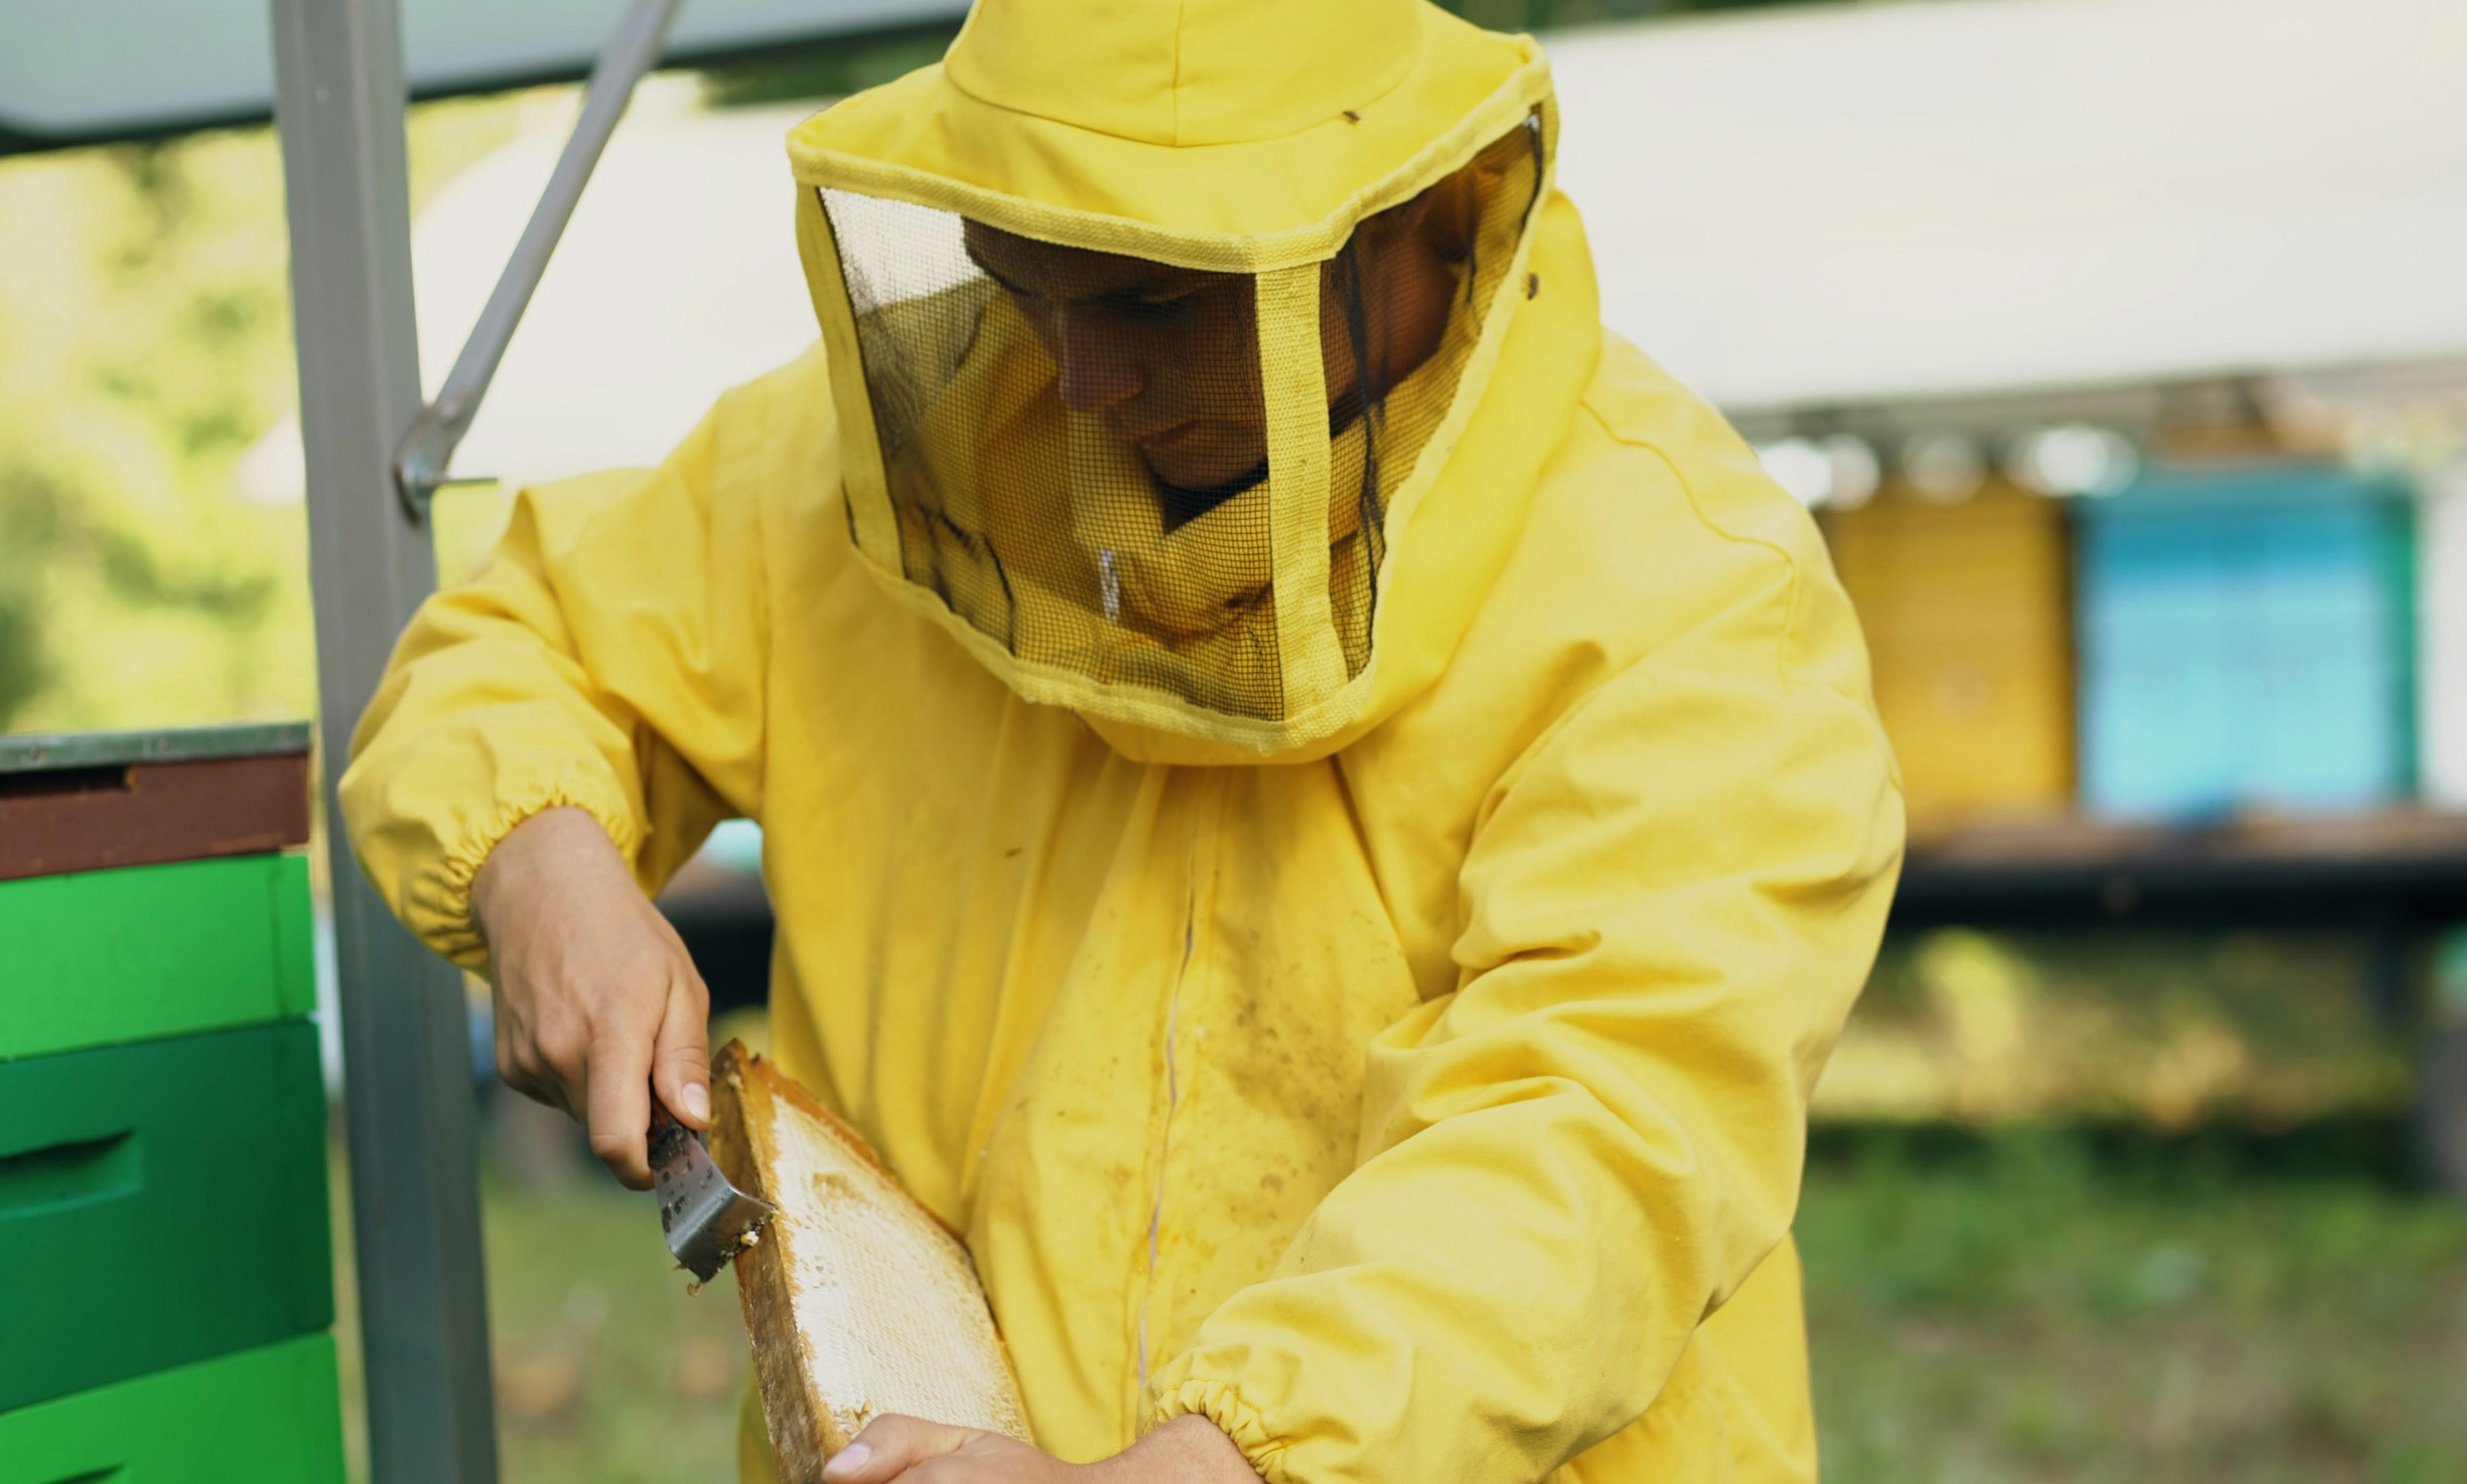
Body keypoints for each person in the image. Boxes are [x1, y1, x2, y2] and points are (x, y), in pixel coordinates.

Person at [341, 0, 1903, 1479]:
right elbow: (515, 647)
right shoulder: (858, 471)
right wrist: (537, 861)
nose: (1085, 376)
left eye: (1157, 296)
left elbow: (1603, 1137)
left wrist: (1229, 1455)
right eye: (1028, 281)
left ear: (1423, 216)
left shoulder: (1691, 593)